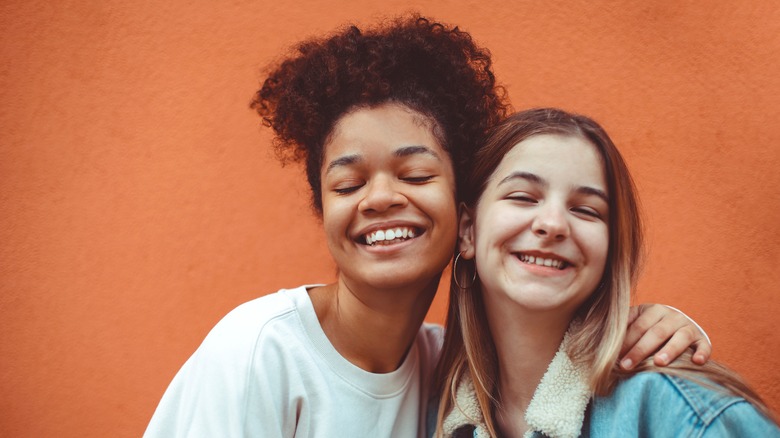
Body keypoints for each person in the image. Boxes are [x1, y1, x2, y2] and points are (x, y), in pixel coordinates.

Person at [145, 17, 711, 438]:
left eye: (415, 173)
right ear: (324, 209)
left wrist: (656, 321)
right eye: (348, 185)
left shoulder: (455, 378)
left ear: (466, 219)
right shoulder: (262, 352)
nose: (381, 198)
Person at [434, 108, 778, 437]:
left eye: (586, 210)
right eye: (523, 197)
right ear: (468, 231)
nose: (553, 224)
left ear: (610, 249)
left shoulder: (676, 407)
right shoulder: (438, 408)